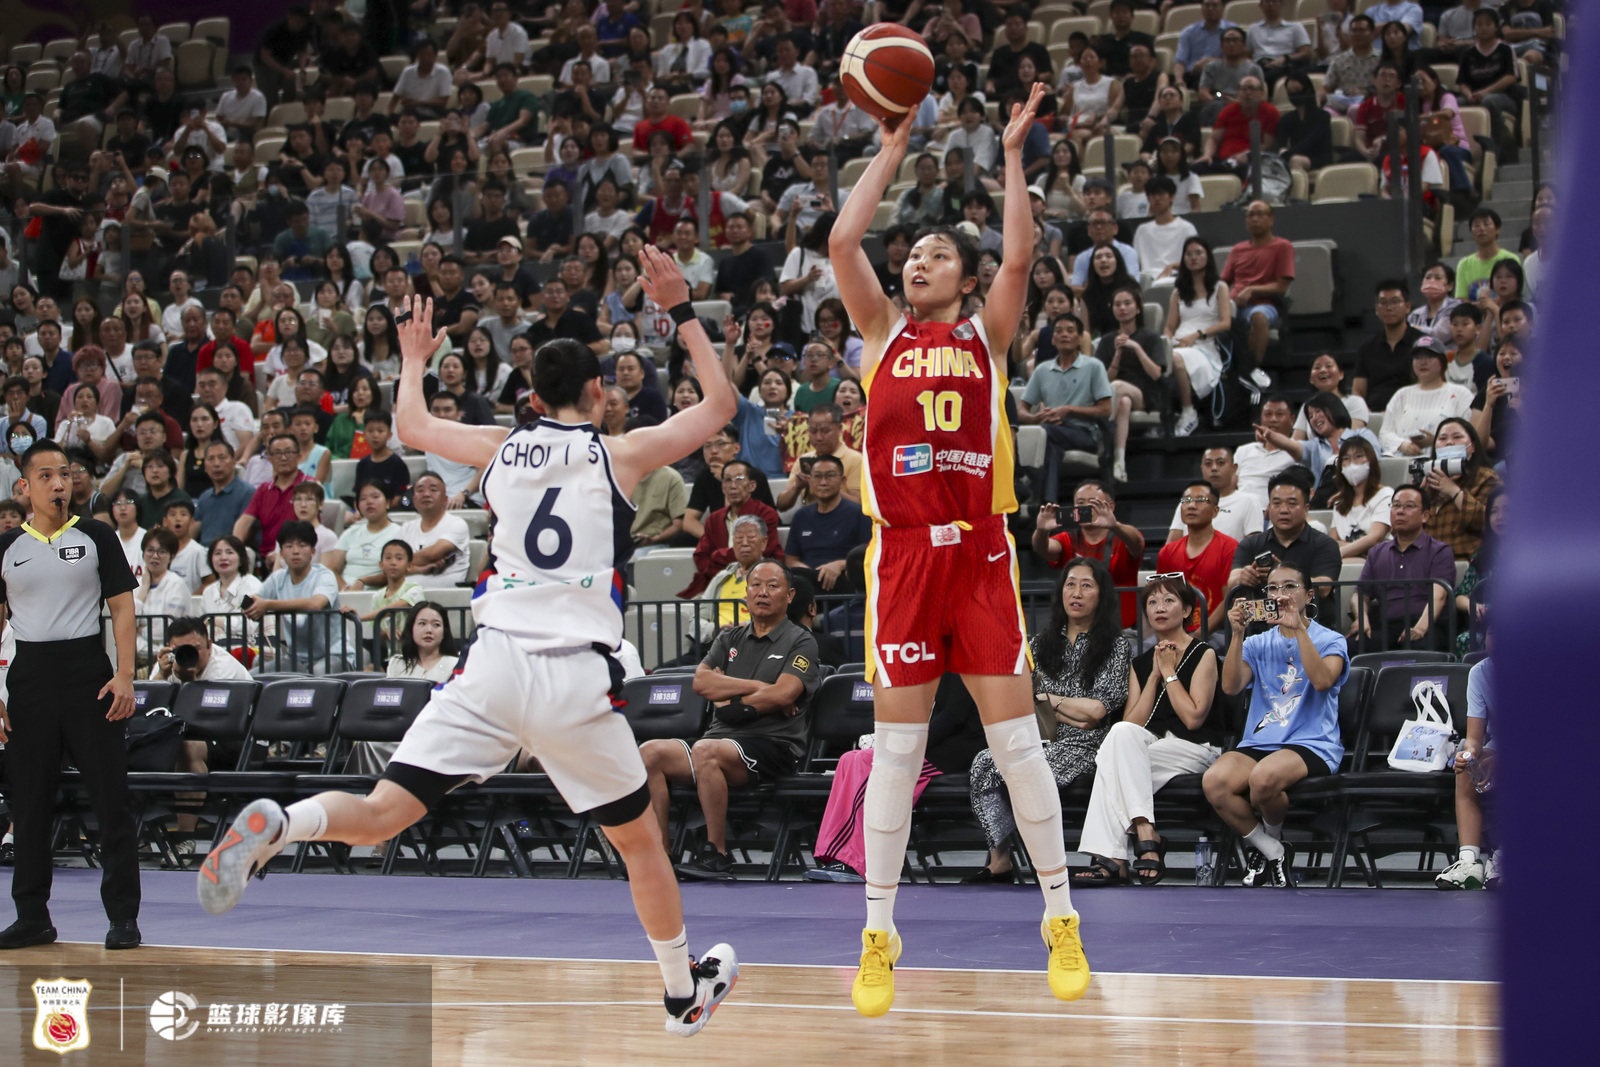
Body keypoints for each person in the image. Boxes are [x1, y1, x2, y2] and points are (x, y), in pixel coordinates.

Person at [201, 249, 745, 1032]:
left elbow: (411, 426)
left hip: (490, 666)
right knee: (638, 843)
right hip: (573, 678)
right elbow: (720, 407)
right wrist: (682, 307)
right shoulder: (619, 453)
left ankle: (286, 825)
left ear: (532, 397)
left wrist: (413, 359)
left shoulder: (499, 445)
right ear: (599, 391)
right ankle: (678, 988)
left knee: (383, 810)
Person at [827, 82, 1090, 1014]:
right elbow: (843, 244)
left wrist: (1012, 155)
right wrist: (891, 148)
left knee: (1016, 743)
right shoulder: (880, 332)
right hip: (902, 556)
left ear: (965, 279)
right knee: (894, 754)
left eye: (938, 254)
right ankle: (878, 933)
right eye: (914, 255)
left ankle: (1060, 915)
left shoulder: (988, 334)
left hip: (979, 552)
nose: (919, 261)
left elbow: (1020, 253)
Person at [0, 440, 140, 950]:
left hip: (88, 674)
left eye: (64, 473)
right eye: (46, 475)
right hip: (30, 677)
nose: (58, 483)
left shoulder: (97, 534)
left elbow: (122, 609)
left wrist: (125, 675)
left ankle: (123, 917)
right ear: (24, 486)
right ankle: (32, 916)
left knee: (110, 799)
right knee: (29, 803)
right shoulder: (7, 546)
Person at [643, 560, 819, 881]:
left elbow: (784, 694)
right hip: (719, 740)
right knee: (650, 753)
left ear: (790, 595)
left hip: (773, 745)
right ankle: (659, 856)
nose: (762, 592)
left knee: (706, 751)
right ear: (746, 593)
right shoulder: (729, 639)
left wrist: (730, 700)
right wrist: (758, 688)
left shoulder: (801, 640)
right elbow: (701, 682)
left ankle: (717, 854)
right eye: (756, 585)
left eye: (772, 586)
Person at [966, 559, 1128, 882]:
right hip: (1039, 738)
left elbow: (1097, 712)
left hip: (1087, 747)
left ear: (1101, 595)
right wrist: (1068, 709)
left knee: (1029, 770)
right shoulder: (1039, 644)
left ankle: (1048, 860)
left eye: (1086, 585)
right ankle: (1000, 861)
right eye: (1070, 584)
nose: (1076, 593)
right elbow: (1023, 697)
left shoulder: (1115, 646)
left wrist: (1049, 700)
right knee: (984, 762)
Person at [1204, 559, 1349, 888]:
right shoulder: (1257, 642)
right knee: (1214, 781)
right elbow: (1230, 686)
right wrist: (1237, 634)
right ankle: (1272, 849)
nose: (1280, 594)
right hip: (1260, 740)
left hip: (1312, 742)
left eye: (1289, 587)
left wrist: (1299, 630)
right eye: (1272, 588)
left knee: (1263, 778)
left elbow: (1322, 681)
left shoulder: (1331, 640)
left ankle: (1270, 841)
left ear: (1308, 595)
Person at [1075, 576, 1226, 885]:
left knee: (1110, 767)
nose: (1160, 608)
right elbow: (1132, 724)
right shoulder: (1141, 663)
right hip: (1150, 747)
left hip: (1195, 747)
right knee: (1120, 736)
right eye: (1153, 602)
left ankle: (1113, 858)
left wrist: (1170, 672)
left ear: (1187, 610)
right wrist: (1155, 675)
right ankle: (1145, 831)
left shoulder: (1204, 654)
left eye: (1169, 601)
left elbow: (1193, 719)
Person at [1017, 314, 1113, 507]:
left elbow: (1105, 409)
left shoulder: (1093, 366)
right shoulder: (1042, 369)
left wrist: (1068, 410)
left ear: (1080, 338)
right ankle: (1048, 503)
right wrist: (1035, 418)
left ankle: (1026, 484)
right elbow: (1021, 409)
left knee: (1044, 433)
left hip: (1085, 432)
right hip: (1052, 432)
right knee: (1049, 445)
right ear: (1053, 339)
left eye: (1070, 331)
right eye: (1059, 331)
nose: (1064, 335)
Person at [1349, 484, 1455, 653]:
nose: (1400, 511)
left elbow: (1439, 596)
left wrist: (1420, 629)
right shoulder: (1377, 552)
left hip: (1427, 625)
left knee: (1423, 648)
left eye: (1409, 506)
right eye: (1396, 505)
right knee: (1351, 646)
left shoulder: (1439, 551)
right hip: (1386, 627)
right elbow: (1360, 594)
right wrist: (1362, 620)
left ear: (1425, 516)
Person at [1229, 467, 1342, 622]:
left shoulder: (1325, 544)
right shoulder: (1250, 544)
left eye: (1292, 503)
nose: (1283, 510)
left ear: (1306, 508)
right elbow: (1232, 581)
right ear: (1268, 508)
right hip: (1261, 624)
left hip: (1311, 624)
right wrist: (1243, 577)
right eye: (1276, 503)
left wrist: (1281, 575)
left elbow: (1324, 588)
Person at [1032, 480, 1145, 628]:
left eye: (1092, 503)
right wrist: (1041, 530)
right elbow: (1043, 548)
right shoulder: (1068, 539)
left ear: (1110, 506)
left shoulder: (1122, 538)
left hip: (1122, 630)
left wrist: (1115, 525)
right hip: (1077, 630)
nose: (1085, 508)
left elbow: (1137, 542)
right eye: (1080, 503)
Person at [1437, 637, 1495, 889]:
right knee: (1466, 767)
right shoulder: (1480, 673)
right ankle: (1469, 861)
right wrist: (1469, 755)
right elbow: (1474, 738)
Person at [1221, 201, 1293, 390]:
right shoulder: (1238, 249)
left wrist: (1252, 290)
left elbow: (1282, 286)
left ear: (1271, 219)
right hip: (1236, 304)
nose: (1254, 219)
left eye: (1260, 214)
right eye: (1250, 215)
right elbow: (1223, 282)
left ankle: (1251, 370)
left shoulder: (1282, 246)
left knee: (1259, 317)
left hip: (1266, 303)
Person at [1157, 481, 1240, 634]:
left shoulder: (1229, 548)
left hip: (1217, 632)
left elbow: (1228, 599)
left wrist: (1199, 634)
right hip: (1174, 631)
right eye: (1186, 500)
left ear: (1215, 511)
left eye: (1200, 500)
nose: (1191, 506)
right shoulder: (1167, 552)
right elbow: (1160, 598)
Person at [784, 454, 871, 594]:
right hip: (808, 582)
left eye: (830, 476)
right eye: (817, 476)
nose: (823, 482)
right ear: (810, 480)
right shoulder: (801, 516)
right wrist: (810, 573)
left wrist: (840, 565)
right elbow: (791, 559)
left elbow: (868, 553)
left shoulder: (859, 513)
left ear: (842, 481)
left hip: (844, 580)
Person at [1420, 417, 1501, 560]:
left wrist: (1453, 491)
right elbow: (1402, 530)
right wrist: (1419, 497)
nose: (1449, 442)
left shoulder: (1486, 478)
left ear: (1473, 446)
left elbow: (1489, 522)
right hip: (1427, 562)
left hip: (1466, 560)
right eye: (1442, 438)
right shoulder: (1428, 481)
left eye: (1457, 437)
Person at [1353, 279, 1427, 412]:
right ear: (1376, 309)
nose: (1389, 308)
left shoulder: (1422, 343)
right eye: (1383, 303)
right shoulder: (1367, 348)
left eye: (1395, 301)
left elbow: (1429, 384)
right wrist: (1364, 413)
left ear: (1408, 307)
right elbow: (1358, 390)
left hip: (1413, 411)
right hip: (1374, 413)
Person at [1324, 436, 1394, 559]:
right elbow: (1332, 542)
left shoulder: (1385, 495)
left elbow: (1375, 538)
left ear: (1371, 461)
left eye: (1358, 456)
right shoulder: (1339, 502)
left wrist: (1340, 552)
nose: (1352, 463)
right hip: (1346, 561)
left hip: (1376, 561)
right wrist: (1360, 550)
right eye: (1346, 458)